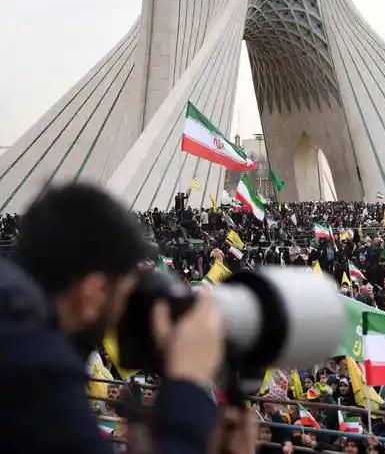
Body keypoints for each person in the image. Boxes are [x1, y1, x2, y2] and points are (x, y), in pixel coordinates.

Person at [0, 183, 223, 453]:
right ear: (93, 292)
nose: (122, 313)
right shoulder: (37, 371)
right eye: (123, 296)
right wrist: (190, 382)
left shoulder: (18, 331)